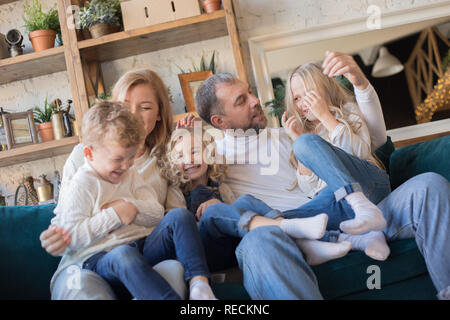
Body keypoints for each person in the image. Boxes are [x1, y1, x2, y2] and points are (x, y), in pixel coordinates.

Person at [191, 51, 450, 299]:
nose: (255, 100)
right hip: (292, 233)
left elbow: (376, 142)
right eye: (241, 100)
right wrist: (204, 193)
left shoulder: (291, 134)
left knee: (429, 185)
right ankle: (319, 236)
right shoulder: (213, 161)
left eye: (249, 92)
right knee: (257, 239)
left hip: (355, 208)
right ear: (220, 122)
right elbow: (195, 200)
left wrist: (360, 84)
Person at [40, 69, 187, 300]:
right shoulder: (83, 156)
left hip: (139, 259)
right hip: (84, 262)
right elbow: (66, 225)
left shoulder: (164, 160)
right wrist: (60, 236)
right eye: (125, 104)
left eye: (145, 107)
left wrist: (132, 207)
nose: (133, 113)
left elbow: (171, 218)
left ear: (159, 114)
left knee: (173, 273)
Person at [51, 102, 216, 300]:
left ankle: (200, 287)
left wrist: (132, 207)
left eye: (131, 157)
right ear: (89, 153)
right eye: (118, 158)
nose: (127, 165)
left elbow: (155, 212)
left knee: (179, 215)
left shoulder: (129, 172)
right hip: (100, 258)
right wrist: (114, 215)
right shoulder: (81, 184)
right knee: (123, 255)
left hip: (141, 247)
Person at [163, 126, 353, 266]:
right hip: (206, 249)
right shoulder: (176, 192)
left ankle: (313, 241)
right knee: (211, 204)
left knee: (245, 201)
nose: (188, 160)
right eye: (179, 156)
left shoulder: (221, 187)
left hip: (233, 242)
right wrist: (213, 210)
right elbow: (180, 230)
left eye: (195, 151)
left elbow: (236, 215)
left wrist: (219, 206)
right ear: (173, 162)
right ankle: (293, 230)